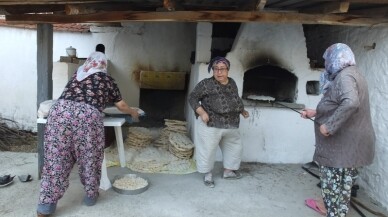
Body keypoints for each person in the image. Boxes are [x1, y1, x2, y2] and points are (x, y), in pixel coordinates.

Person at [37, 51, 139, 217]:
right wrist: (132, 112)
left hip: (59, 113)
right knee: (89, 157)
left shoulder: (77, 75)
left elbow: (76, 97)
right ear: (103, 65)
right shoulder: (107, 79)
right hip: (87, 117)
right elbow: (121, 105)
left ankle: (45, 206)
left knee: (56, 160)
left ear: (88, 63)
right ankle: (91, 196)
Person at [301, 43, 375, 217]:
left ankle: (334, 213)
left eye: (327, 60)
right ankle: (337, 212)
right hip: (349, 148)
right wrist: (316, 112)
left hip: (341, 148)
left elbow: (351, 102)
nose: (326, 64)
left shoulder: (345, 77)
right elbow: (338, 103)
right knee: (343, 190)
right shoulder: (353, 73)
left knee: (334, 191)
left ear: (337, 58)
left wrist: (330, 125)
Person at [188, 56, 249, 188]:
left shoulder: (232, 82)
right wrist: (202, 112)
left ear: (228, 70)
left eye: (222, 69)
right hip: (212, 123)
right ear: (212, 70)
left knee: (234, 147)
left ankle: (228, 171)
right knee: (208, 150)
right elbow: (192, 97)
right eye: (215, 69)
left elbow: (235, 98)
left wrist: (242, 110)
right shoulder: (206, 84)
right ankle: (208, 174)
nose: (219, 72)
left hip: (231, 123)